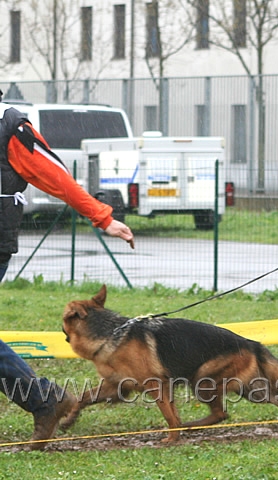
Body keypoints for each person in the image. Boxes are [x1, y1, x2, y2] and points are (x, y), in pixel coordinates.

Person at [0, 93, 135, 449]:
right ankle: (45, 400)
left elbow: (55, 176)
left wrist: (102, 216)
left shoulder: (10, 126)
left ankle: (44, 400)